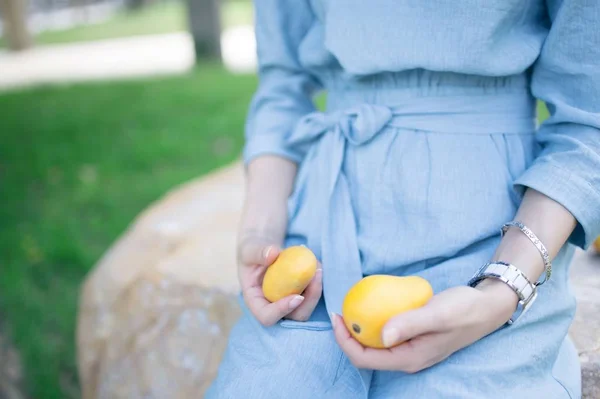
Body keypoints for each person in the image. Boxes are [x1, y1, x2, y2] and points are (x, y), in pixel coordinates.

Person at [207, 1, 600, 398]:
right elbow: (282, 85)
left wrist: (501, 290)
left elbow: (589, 117)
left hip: (493, 242)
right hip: (319, 244)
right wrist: (259, 232)